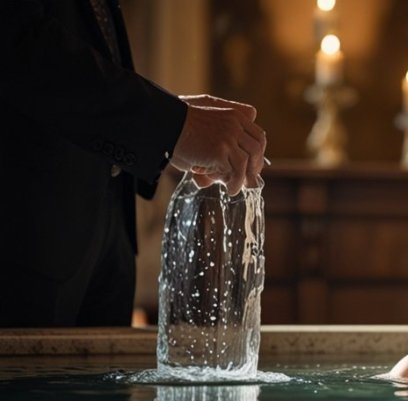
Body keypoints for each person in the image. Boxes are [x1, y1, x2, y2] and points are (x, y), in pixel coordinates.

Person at [0, 0, 267, 327]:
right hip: (25, 232)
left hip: (104, 232)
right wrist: (173, 126)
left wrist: (170, 122)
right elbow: (19, 42)